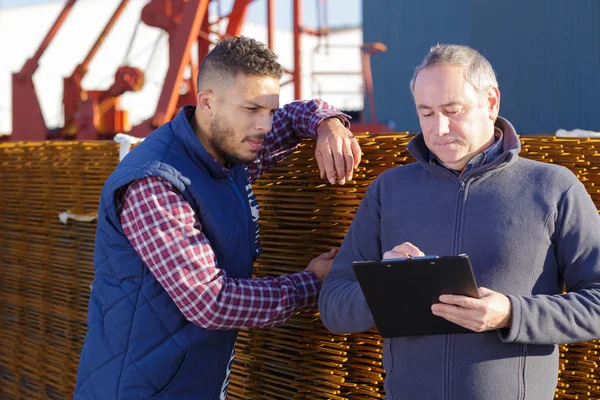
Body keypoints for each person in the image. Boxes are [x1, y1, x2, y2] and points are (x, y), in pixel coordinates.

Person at [74, 35, 361, 399]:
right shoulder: (154, 183)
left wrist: (329, 123)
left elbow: (291, 119)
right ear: (207, 102)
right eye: (252, 109)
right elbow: (210, 302)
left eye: (269, 110)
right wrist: (310, 283)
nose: (265, 125)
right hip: (140, 388)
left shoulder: (228, 150)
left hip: (193, 383)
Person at [318, 43, 600, 400]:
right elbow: (333, 305)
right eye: (426, 113)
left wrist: (512, 314)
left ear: (491, 102)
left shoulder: (553, 187)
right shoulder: (388, 189)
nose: (439, 128)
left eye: (453, 110)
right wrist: (385, 289)